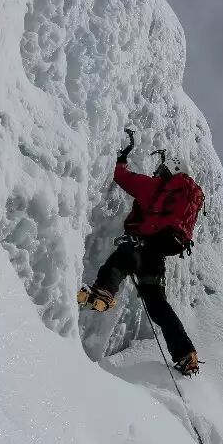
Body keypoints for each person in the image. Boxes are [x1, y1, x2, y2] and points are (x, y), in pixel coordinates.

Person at [78, 129, 204, 375]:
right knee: (157, 304)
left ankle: (102, 294)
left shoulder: (156, 188)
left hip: (142, 244)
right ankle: (186, 353)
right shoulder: (188, 199)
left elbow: (123, 177)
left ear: (168, 172)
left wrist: (122, 157)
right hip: (158, 254)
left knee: (121, 260)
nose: (157, 174)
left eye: (161, 171)